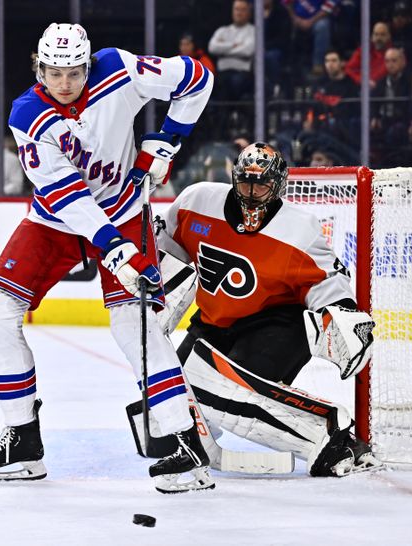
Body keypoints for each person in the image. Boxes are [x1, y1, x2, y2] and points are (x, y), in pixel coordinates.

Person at [0, 23, 216, 494]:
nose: (64, 83)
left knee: (135, 326)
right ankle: (22, 439)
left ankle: (184, 446)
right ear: (37, 69)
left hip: (123, 211)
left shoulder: (120, 69)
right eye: (54, 73)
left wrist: (169, 139)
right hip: (59, 219)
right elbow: (67, 194)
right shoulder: (28, 114)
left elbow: (197, 79)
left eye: (75, 72)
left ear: (88, 65)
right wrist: (112, 245)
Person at [149, 142, 380, 477]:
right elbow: (168, 258)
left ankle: (331, 434)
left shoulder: (297, 229)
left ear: (279, 186)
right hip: (213, 324)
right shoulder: (195, 202)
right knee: (163, 416)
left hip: (277, 326)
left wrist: (342, 316)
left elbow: (329, 282)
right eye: (245, 183)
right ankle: (200, 436)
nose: (253, 193)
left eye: (262, 185)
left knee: (226, 394)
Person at [208, 0, 255, 100]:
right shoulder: (222, 30)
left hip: (242, 74)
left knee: (234, 82)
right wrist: (234, 45)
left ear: (249, 13)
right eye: (236, 9)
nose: (239, 13)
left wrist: (223, 50)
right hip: (222, 74)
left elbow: (247, 51)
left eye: (243, 10)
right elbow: (212, 48)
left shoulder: (253, 31)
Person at [345, 21, 392, 87]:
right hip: (362, 87)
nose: (379, 38)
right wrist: (363, 81)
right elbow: (349, 69)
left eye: (382, 35)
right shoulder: (363, 50)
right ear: (372, 37)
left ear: (389, 36)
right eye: (376, 34)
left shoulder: (393, 54)